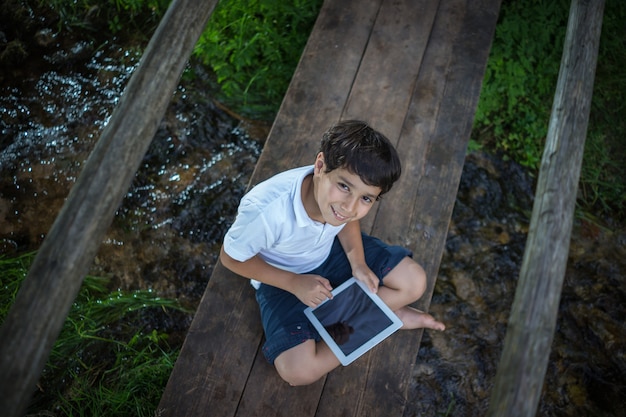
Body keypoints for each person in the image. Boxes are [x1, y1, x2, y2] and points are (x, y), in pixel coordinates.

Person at [220, 120, 445, 386]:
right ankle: (384, 316)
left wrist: (358, 262)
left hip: (332, 252)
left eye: (366, 199)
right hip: (283, 278)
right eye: (345, 186)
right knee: (298, 372)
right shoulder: (267, 211)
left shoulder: (339, 206)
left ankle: (378, 315)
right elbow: (230, 257)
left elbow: (347, 220)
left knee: (414, 282)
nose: (349, 206)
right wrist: (294, 283)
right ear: (320, 166)